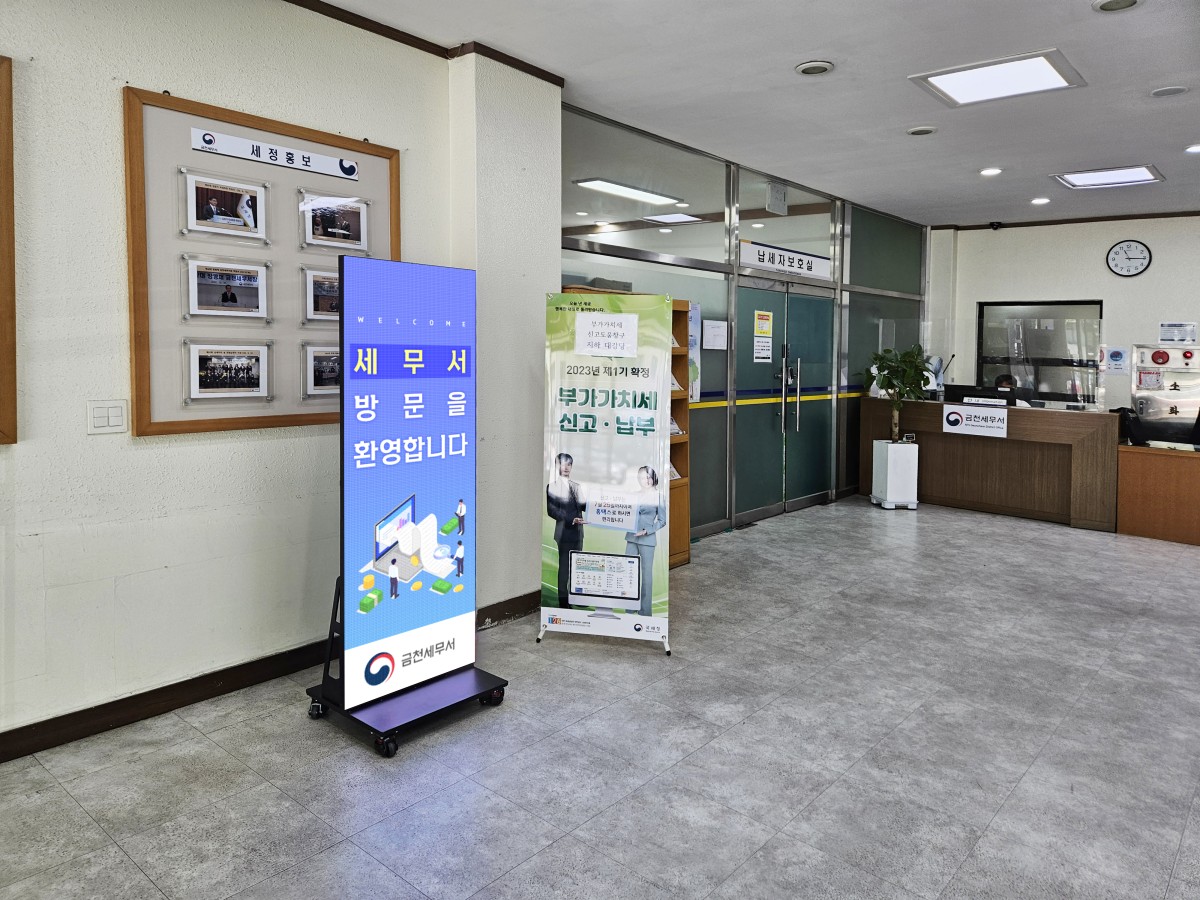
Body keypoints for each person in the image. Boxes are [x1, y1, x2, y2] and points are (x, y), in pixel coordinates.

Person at [624, 465, 667, 616]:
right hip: (631, 537)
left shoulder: (659, 496)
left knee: (646, 576)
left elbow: (662, 520)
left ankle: (645, 611)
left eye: (648, 477)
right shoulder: (634, 495)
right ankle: (630, 608)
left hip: (647, 539)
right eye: (642, 478)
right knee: (629, 573)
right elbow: (625, 514)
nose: (646, 480)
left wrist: (647, 530)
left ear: (653, 478)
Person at [546, 452, 585, 608]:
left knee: (578, 567)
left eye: (569, 464)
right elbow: (552, 511)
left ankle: (577, 598)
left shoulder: (577, 486)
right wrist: (571, 519)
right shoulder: (552, 486)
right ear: (557, 466)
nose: (566, 467)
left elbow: (584, 505)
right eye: (563, 464)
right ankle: (563, 601)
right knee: (564, 568)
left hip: (578, 533)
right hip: (564, 533)